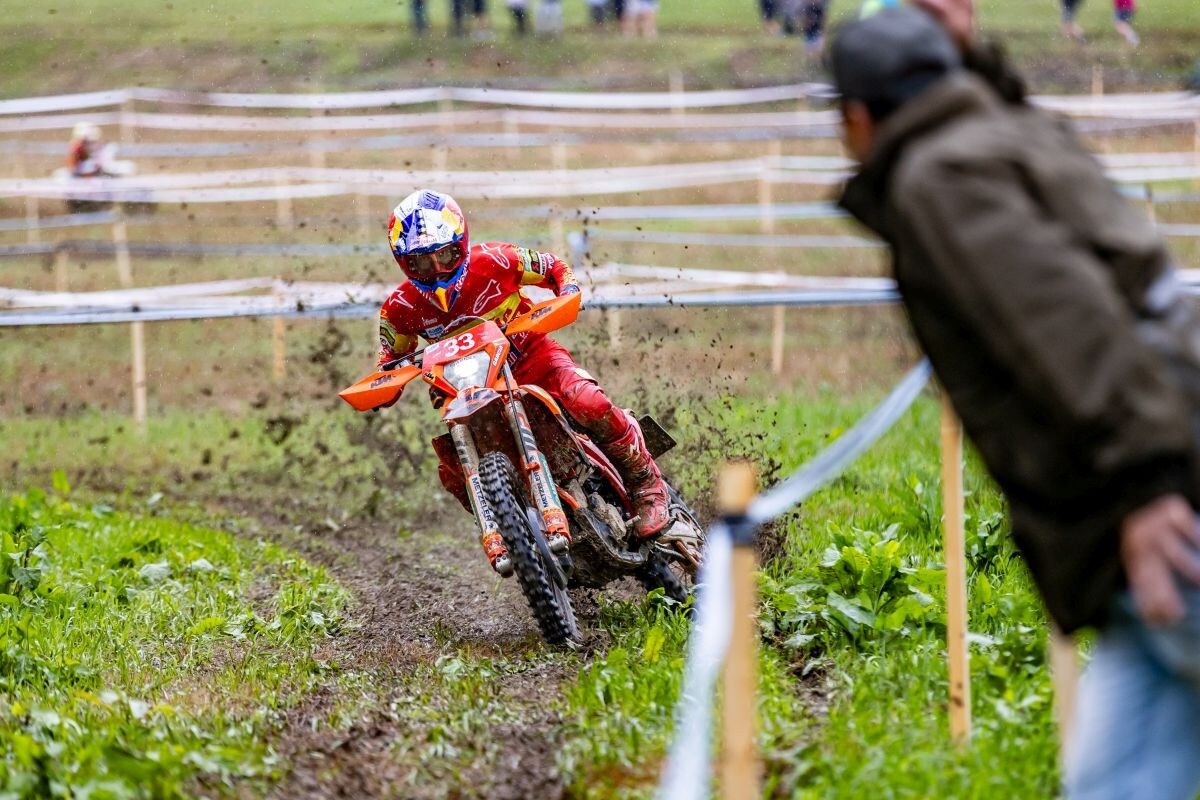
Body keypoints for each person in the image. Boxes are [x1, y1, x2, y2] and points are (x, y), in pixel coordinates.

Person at [831, 6, 1200, 799]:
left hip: (1161, 493)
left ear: (857, 118)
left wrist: (1147, 489)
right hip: (1150, 479)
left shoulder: (941, 178)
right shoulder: (1002, 130)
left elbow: (1074, 327)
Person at [377, 189, 672, 573]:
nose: (436, 269)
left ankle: (645, 483)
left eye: (445, 255)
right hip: (465, 392)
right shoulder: (399, 309)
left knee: (587, 401)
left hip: (531, 359)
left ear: (461, 244)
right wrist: (387, 380)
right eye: (420, 262)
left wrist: (566, 290)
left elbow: (553, 267)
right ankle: (516, 532)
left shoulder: (498, 260)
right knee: (452, 471)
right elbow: (391, 358)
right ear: (404, 263)